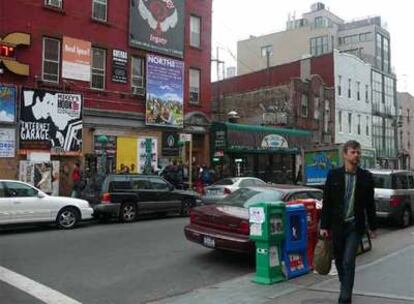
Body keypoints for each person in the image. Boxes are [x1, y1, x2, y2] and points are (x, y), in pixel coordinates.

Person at [320, 140, 377, 304]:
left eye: (358, 152)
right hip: (337, 226)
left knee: (348, 260)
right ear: (345, 154)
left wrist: (373, 227)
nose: (356, 155)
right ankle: (345, 285)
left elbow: (370, 204)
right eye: (353, 152)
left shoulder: (366, 177)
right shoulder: (334, 175)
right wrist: (324, 225)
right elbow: (327, 202)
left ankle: (345, 298)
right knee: (338, 260)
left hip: (354, 226)